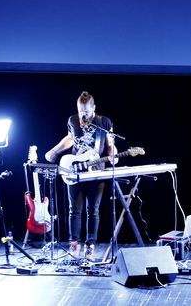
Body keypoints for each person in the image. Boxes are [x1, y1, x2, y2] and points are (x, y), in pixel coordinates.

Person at [44, 91, 116, 261]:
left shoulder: (104, 122)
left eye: (86, 111)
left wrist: (113, 154)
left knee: (93, 210)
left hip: (95, 171)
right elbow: (70, 138)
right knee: (74, 210)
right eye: (80, 111)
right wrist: (54, 151)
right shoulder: (72, 120)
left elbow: (110, 143)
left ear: (94, 108)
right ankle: (74, 245)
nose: (83, 114)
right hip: (75, 168)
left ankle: (90, 245)